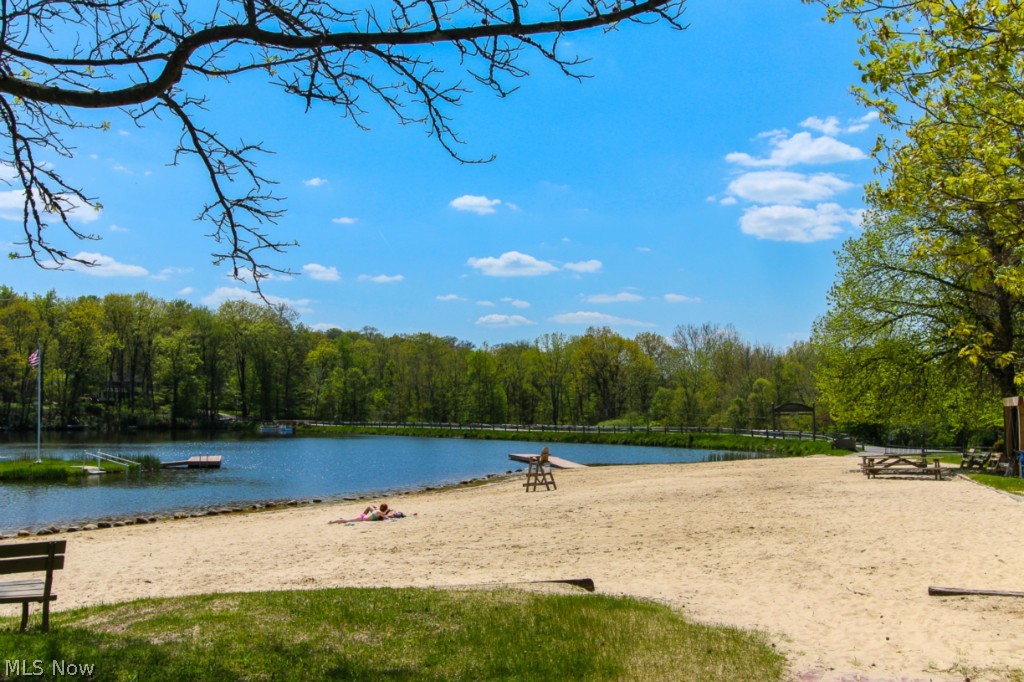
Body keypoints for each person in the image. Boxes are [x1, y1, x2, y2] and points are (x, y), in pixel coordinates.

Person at [328, 502, 408, 524]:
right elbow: (386, 518)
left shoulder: (377, 511)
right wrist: (395, 519)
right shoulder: (380, 513)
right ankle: (333, 521)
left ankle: (339, 520)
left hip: (363, 516)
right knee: (347, 520)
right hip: (362, 518)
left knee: (349, 520)